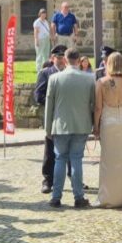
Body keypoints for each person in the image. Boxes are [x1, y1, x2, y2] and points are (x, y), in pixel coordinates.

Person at [44, 48, 96, 208]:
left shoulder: (54, 78)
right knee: (76, 160)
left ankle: (56, 197)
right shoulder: (89, 79)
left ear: (65, 60)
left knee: (60, 159)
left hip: (60, 126)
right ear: (79, 59)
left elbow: (49, 106)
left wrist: (47, 129)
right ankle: (78, 196)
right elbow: (93, 104)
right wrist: (94, 125)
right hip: (81, 125)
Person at [95, 52, 122, 208]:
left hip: (109, 119)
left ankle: (108, 196)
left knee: (108, 158)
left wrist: (95, 126)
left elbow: (98, 107)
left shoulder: (102, 82)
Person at [36, 45, 69, 193]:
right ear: (52, 58)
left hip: (68, 117)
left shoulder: (70, 73)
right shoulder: (45, 73)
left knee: (71, 150)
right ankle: (47, 180)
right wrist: (54, 104)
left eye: (63, 58)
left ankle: (75, 178)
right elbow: (38, 96)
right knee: (50, 151)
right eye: (58, 58)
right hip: (53, 117)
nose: (61, 60)